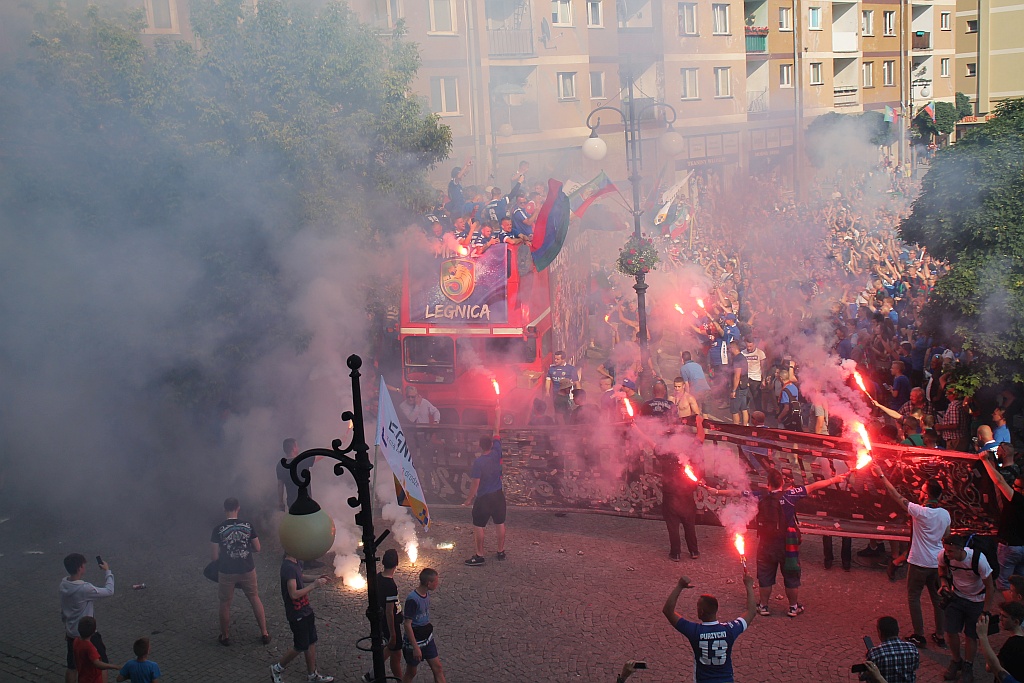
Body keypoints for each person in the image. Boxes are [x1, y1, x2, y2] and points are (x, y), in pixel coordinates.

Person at [707, 467, 850, 617]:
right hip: (788, 544)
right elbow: (813, 486)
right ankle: (793, 607)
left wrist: (716, 492)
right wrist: (835, 479)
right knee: (791, 574)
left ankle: (763, 606)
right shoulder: (790, 495)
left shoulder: (760, 496)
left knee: (765, 575)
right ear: (782, 483)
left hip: (766, 543)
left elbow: (737, 493)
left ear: (768, 484)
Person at [873, 467, 950, 649]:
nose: (919, 493)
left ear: (926, 495)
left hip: (918, 563)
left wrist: (881, 474)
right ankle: (940, 635)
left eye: (922, 490)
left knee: (914, 597)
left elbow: (895, 495)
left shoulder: (919, 512)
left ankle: (919, 635)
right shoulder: (945, 514)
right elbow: (946, 536)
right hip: (937, 563)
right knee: (937, 599)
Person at [662, 573, 757, 683]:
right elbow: (751, 612)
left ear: (701, 612)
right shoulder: (729, 630)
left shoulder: (694, 631)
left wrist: (679, 586)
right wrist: (749, 586)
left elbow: (668, 611)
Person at [210, 497, 270, 646]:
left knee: (225, 603)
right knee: (254, 597)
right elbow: (257, 548)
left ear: (224, 509)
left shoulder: (218, 529)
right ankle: (264, 633)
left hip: (227, 571)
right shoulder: (248, 526)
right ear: (238, 508)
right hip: (247, 569)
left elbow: (214, 557)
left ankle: (225, 636)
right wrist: (245, 550)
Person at [937, 534, 996, 683]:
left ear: (961, 549)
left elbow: (990, 587)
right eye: (946, 550)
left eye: (950, 551)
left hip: (977, 601)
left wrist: (985, 611)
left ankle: (968, 666)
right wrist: (944, 583)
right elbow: (942, 569)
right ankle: (956, 661)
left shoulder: (978, 560)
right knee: (950, 631)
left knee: (971, 635)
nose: (947, 554)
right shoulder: (944, 556)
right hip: (956, 597)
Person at [269, 554, 334, 683]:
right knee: (300, 645)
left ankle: (312, 675)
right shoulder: (288, 567)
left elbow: (301, 576)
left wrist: (317, 577)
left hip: (305, 610)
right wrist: (314, 585)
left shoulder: (296, 561)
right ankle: (277, 668)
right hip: (296, 613)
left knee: (311, 641)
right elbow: (293, 594)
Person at [61, 553, 114, 683]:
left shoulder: (63, 584)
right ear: (79, 568)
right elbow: (109, 591)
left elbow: (63, 610)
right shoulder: (84, 588)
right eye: (84, 565)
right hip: (88, 633)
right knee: (102, 662)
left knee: (72, 665)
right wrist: (107, 571)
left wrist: (67, 628)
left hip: (71, 632)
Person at [462, 406, 505, 566]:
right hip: (498, 495)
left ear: (480, 446)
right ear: (491, 444)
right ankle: (500, 551)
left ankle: (480, 555)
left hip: (484, 498)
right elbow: (496, 429)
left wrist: (468, 500)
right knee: (500, 523)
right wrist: (498, 413)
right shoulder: (497, 451)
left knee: (479, 525)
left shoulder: (479, 462)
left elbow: (475, 483)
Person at [979, 453, 1024, 600]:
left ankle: (1014, 609)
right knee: (1020, 583)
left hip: (1010, 547)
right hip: (1022, 547)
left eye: (1015, 486)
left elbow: (999, 481)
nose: (1012, 487)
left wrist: (985, 461)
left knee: (1004, 584)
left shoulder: (1017, 499)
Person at [362, 549, 404, 683]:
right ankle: (371, 674)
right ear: (396, 564)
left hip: (382, 620)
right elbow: (389, 612)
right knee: (391, 648)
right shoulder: (391, 585)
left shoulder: (378, 577)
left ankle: (399, 679)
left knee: (396, 654)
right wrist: (393, 634)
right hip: (391, 624)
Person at [402, 568, 447, 683]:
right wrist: (416, 648)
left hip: (427, 638)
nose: (437, 584)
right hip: (415, 641)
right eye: (435, 581)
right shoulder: (413, 599)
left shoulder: (426, 593)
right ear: (428, 583)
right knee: (411, 672)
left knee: (438, 668)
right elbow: (407, 624)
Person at [866, 616, 920, 683]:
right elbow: (915, 667)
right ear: (897, 630)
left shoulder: (875, 653)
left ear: (879, 632)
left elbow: (866, 675)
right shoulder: (912, 648)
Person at [977, 613, 1022, 683]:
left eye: (1005, 616)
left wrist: (982, 636)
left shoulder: (1012, 643)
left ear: (1016, 622)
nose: (1000, 619)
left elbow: (992, 667)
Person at [73, 617, 119, 683]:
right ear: (93, 632)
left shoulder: (76, 641)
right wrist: (115, 666)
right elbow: (98, 664)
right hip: (93, 679)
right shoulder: (89, 647)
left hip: (82, 678)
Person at [545, 351, 580, 423]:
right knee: (558, 413)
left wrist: (579, 394)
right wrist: (547, 392)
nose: (555, 361)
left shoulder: (571, 369)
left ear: (563, 359)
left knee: (568, 413)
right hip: (556, 396)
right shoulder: (551, 368)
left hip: (568, 396)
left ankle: (569, 425)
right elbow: (548, 380)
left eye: (558, 359)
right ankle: (558, 426)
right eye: (555, 359)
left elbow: (576, 382)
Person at [740, 337, 767, 413]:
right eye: (747, 346)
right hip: (746, 379)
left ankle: (759, 416)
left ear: (754, 344)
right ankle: (745, 417)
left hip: (756, 379)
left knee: (757, 399)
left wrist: (763, 379)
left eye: (750, 346)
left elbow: (763, 368)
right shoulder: (742, 353)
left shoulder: (760, 353)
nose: (749, 348)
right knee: (745, 399)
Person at [727, 342, 750, 426]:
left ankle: (736, 428)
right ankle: (745, 427)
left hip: (738, 388)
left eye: (729, 348)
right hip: (744, 386)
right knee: (744, 408)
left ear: (734, 348)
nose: (729, 350)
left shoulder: (737, 359)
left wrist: (733, 390)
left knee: (734, 410)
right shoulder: (742, 357)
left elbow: (737, 376)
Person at [278, 438, 303, 512]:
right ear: (294, 448)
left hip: (291, 502)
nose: (298, 448)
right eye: (297, 446)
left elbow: (280, 485)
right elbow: (319, 455)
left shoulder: (281, 465)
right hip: (305, 501)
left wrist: (280, 502)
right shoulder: (302, 460)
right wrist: (330, 448)